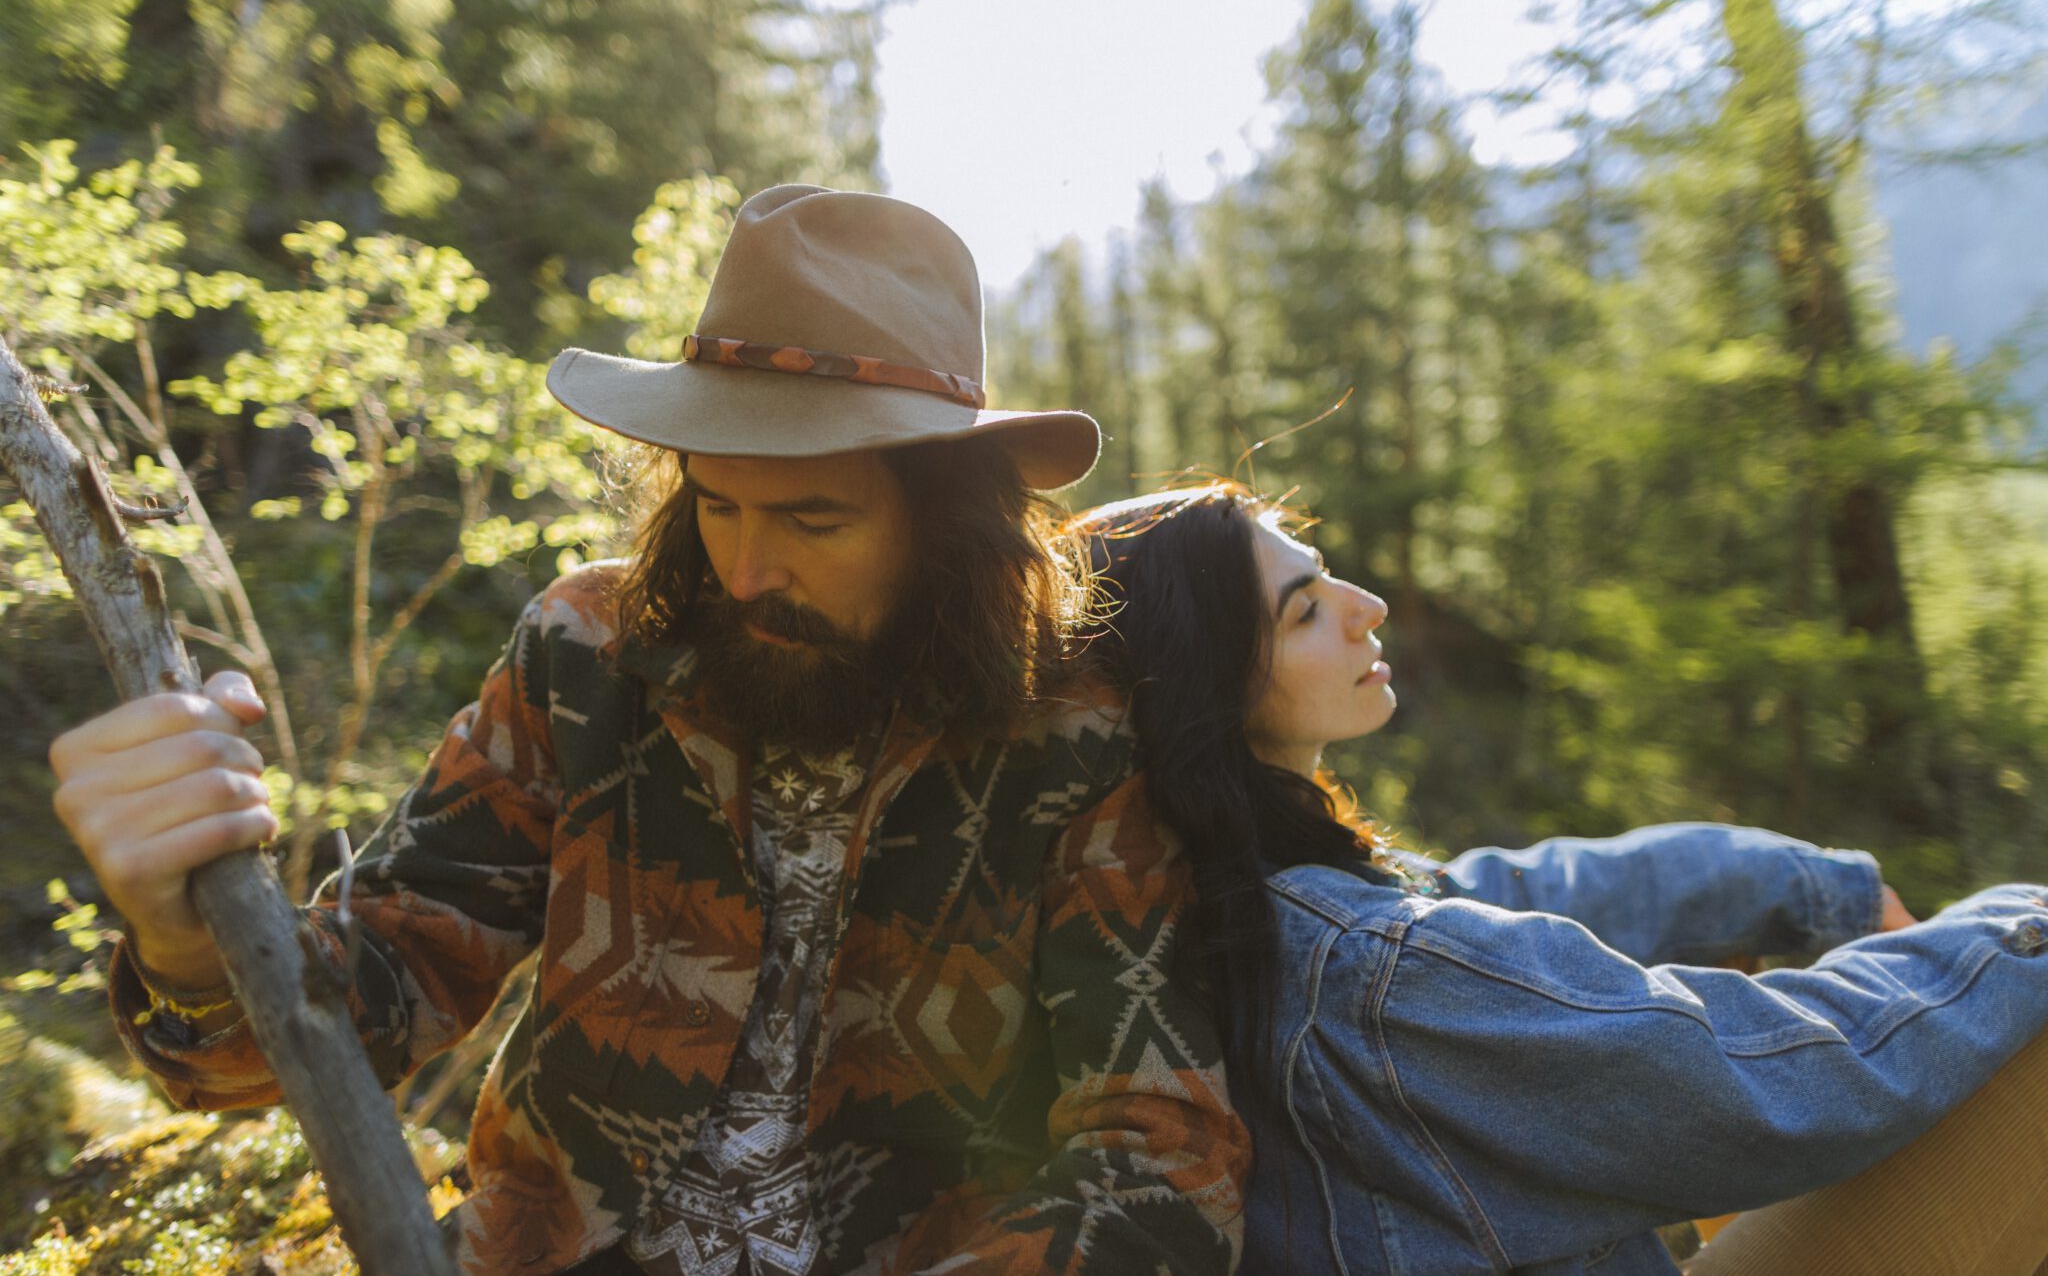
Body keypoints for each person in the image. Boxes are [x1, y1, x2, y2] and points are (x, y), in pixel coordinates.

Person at [46, 186, 1248, 1275]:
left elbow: (1161, 1160)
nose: (744, 568)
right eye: (713, 504)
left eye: (814, 520)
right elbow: (373, 984)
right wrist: (189, 936)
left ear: (950, 525)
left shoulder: (1074, 736)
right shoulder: (585, 653)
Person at [1072, 479, 2048, 1276]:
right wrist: (2023, 926)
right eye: (1304, 610)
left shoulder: (1214, 897)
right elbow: (1753, 1083)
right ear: (1212, 686)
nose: (1365, 607)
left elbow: (1514, 891)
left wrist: (1804, 885)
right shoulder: (1361, 972)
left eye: (1324, 574)